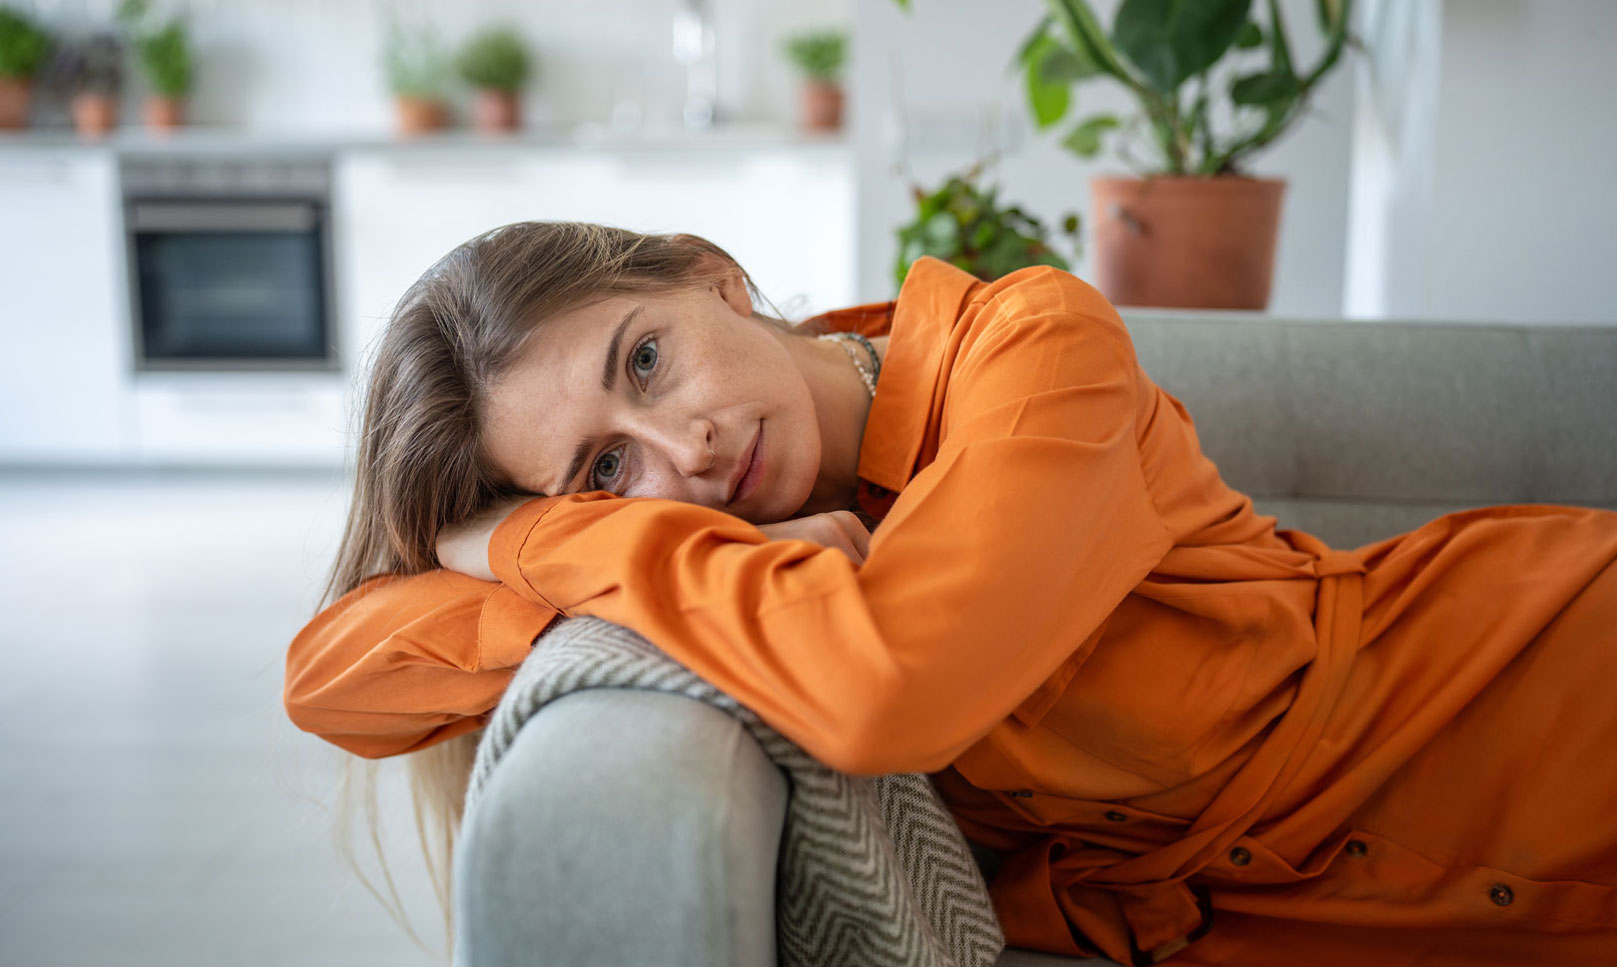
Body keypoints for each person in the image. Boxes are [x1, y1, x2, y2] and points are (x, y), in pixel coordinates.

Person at [284, 220, 1617, 965]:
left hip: (1539, 679)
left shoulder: (1030, 345)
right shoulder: (735, 571)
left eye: (646, 361)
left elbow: (888, 690)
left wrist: (547, 536)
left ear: (712, 279)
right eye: (603, 467)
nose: (682, 451)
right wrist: (566, 537)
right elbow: (334, 675)